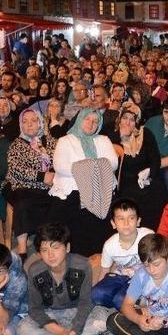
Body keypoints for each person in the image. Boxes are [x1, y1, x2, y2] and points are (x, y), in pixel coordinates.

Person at [49, 108, 119, 256]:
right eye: (87, 119)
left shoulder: (103, 140)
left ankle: (101, 253)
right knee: (73, 207)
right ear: (80, 119)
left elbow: (113, 163)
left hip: (101, 188)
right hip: (71, 189)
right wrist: (94, 167)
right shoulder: (65, 140)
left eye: (95, 121)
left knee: (106, 207)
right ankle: (76, 255)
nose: (91, 123)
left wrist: (82, 166)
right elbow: (60, 167)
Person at [18, 223, 106, 335]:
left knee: (101, 321)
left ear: (67, 247)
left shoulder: (82, 265)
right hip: (50, 313)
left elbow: (86, 302)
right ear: (39, 253)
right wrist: (58, 330)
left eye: (55, 247)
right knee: (23, 328)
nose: (50, 255)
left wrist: (75, 330)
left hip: (77, 311)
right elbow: (34, 308)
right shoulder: (35, 271)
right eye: (44, 250)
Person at [106, 233, 168, 335]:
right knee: (113, 320)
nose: (151, 270)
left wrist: (165, 321)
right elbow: (126, 305)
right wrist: (138, 319)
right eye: (146, 265)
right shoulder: (140, 275)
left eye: (156, 264)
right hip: (148, 318)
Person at [2, 109, 57, 258]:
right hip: (19, 184)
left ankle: (46, 240)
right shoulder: (17, 144)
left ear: (40, 122)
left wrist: (52, 175)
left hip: (47, 185)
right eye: (24, 122)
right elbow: (15, 170)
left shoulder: (50, 141)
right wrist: (41, 176)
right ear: (20, 125)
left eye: (33, 120)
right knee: (22, 201)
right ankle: (22, 248)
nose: (29, 125)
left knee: (57, 200)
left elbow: (59, 161)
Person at [110, 103, 166, 231]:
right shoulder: (111, 133)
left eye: (132, 119)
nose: (128, 122)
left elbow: (155, 159)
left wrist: (149, 172)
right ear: (119, 119)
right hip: (124, 180)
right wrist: (120, 136)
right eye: (125, 118)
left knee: (158, 190)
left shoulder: (145, 133)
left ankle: (152, 232)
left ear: (137, 121)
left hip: (145, 178)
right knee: (132, 196)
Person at [91, 199, 154, 310]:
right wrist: (99, 286)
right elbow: (105, 271)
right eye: (121, 219)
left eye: (131, 218)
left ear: (138, 221)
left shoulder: (148, 236)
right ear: (113, 223)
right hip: (120, 275)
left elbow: (157, 263)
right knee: (96, 294)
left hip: (142, 277)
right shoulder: (109, 245)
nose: (126, 223)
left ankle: (136, 304)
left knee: (121, 300)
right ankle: (119, 305)